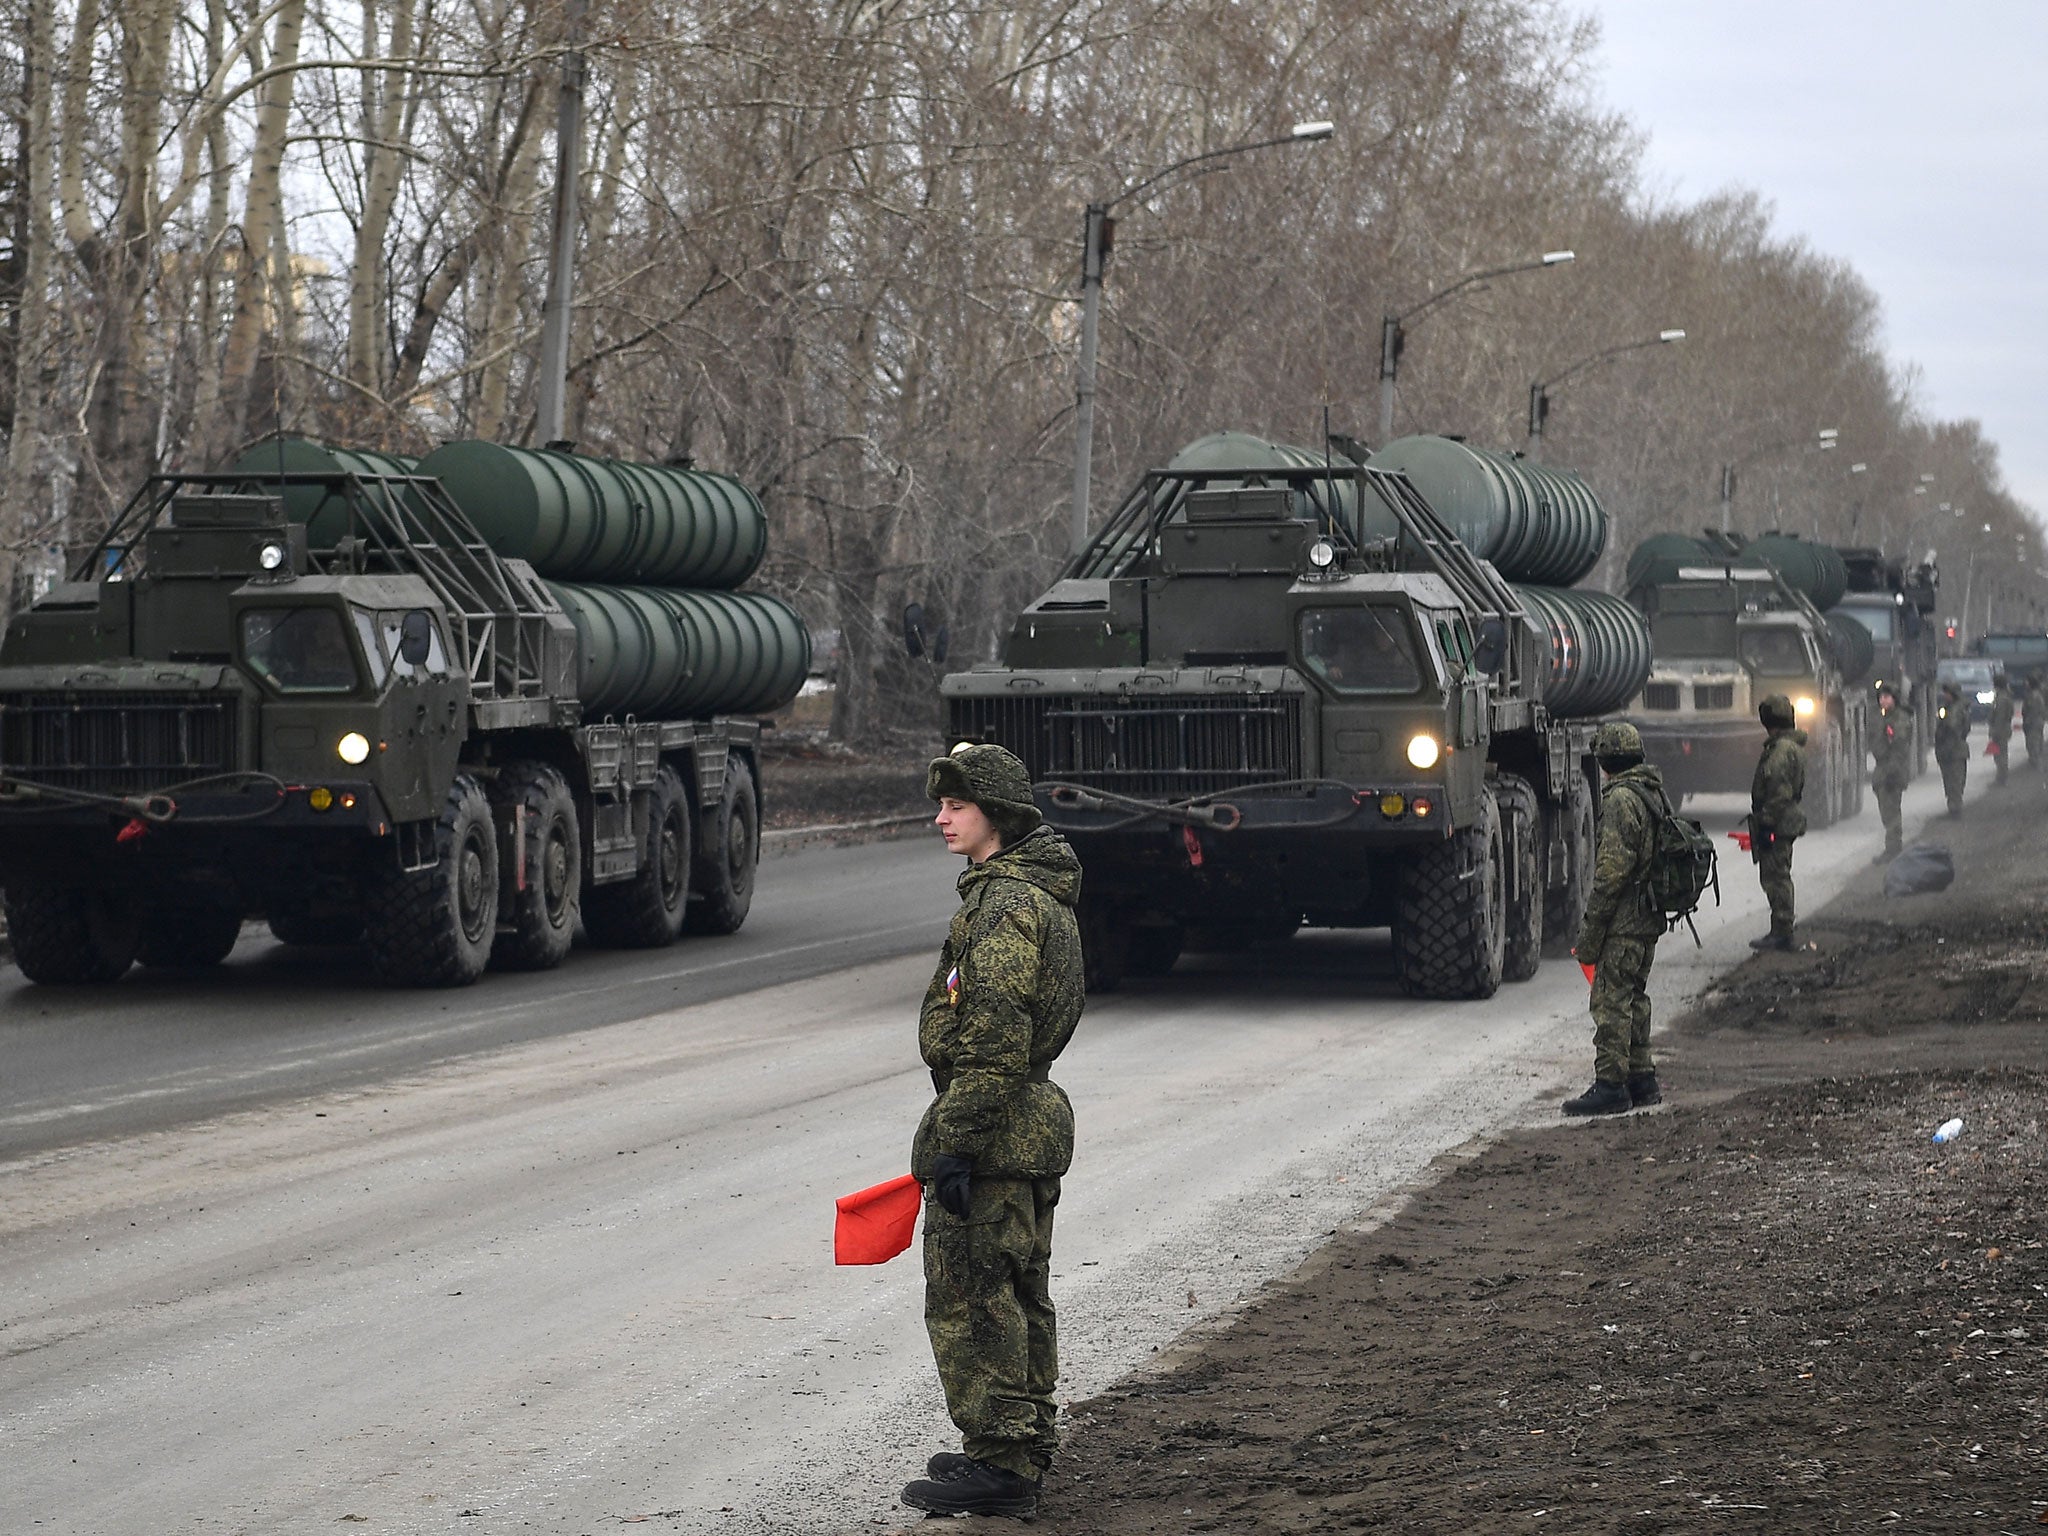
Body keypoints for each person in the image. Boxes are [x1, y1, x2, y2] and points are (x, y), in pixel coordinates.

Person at [900, 742, 1084, 1520]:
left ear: (997, 817)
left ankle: (1003, 1461)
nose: (941, 818)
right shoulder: (1024, 893)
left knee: (976, 1294)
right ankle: (1017, 1440)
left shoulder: (1007, 905)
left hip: (998, 1132)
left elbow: (994, 1037)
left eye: (957, 807)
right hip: (1020, 1129)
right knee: (1018, 1290)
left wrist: (957, 1145)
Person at [1562, 721, 1666, 1118]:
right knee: (1635, 999)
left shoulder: (1622, 800)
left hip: (1624, 921)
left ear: (1605, 761)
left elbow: (1609, 875)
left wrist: (1591, 932)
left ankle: (1610, 1086)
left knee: (1610, 1003)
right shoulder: (1651, 792)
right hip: (1647, 919)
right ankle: (1642, 1080)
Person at [1749, 693, 1806, 952]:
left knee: (1777, 877)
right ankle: (1780, 929)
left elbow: (1779, 792)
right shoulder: (1787, 747)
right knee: (1777, 875)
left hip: (1778, 822)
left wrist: (1767, 823)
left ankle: (1782, 931)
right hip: (1782, 820)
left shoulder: (1781, 751)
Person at [1868, 686, 1914, 863]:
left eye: (1887, 697)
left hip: (1892, 769)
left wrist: (1891, 773)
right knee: (1887, 811)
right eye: (1881, 697)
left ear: (1894, 698)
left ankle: (1893, 849)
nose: (1883, 701)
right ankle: (1893, 847)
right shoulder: (1885, 717)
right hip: (1884, 769)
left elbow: (1899, 748)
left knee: (1892, 811)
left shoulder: (1899, 719)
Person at [1934, 680, 1971, 816]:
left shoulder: (1956, 709)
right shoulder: (1950, 707)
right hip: (1951, 749)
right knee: (1951, 781)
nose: (1945, 696)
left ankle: (1955, 808)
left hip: (1953, 749)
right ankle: (1954, 806)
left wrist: (1943, 726)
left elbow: (1952, 727)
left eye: (1948, 693)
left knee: (1954, 781)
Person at [1988, 669, 2014, 786]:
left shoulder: (2001, 699)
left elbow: (2000, 717)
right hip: (2003, 729)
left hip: (2000, 730)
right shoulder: (2003, 696)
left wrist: (1995, 732)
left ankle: (2002, 779)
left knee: (2000, 756)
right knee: (2000, 754)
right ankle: (2001, 777)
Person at [2024, 674, 2045, 769]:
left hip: (2034, 722)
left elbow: (2034, 710)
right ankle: (2035, 762)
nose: (2025, 683)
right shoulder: (2034, 694)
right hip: (2036, 721)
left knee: (2034, 743)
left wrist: (2028, 721)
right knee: (2035, 742)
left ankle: (2037, 764)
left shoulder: (2034, 696)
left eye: (2027, 682)